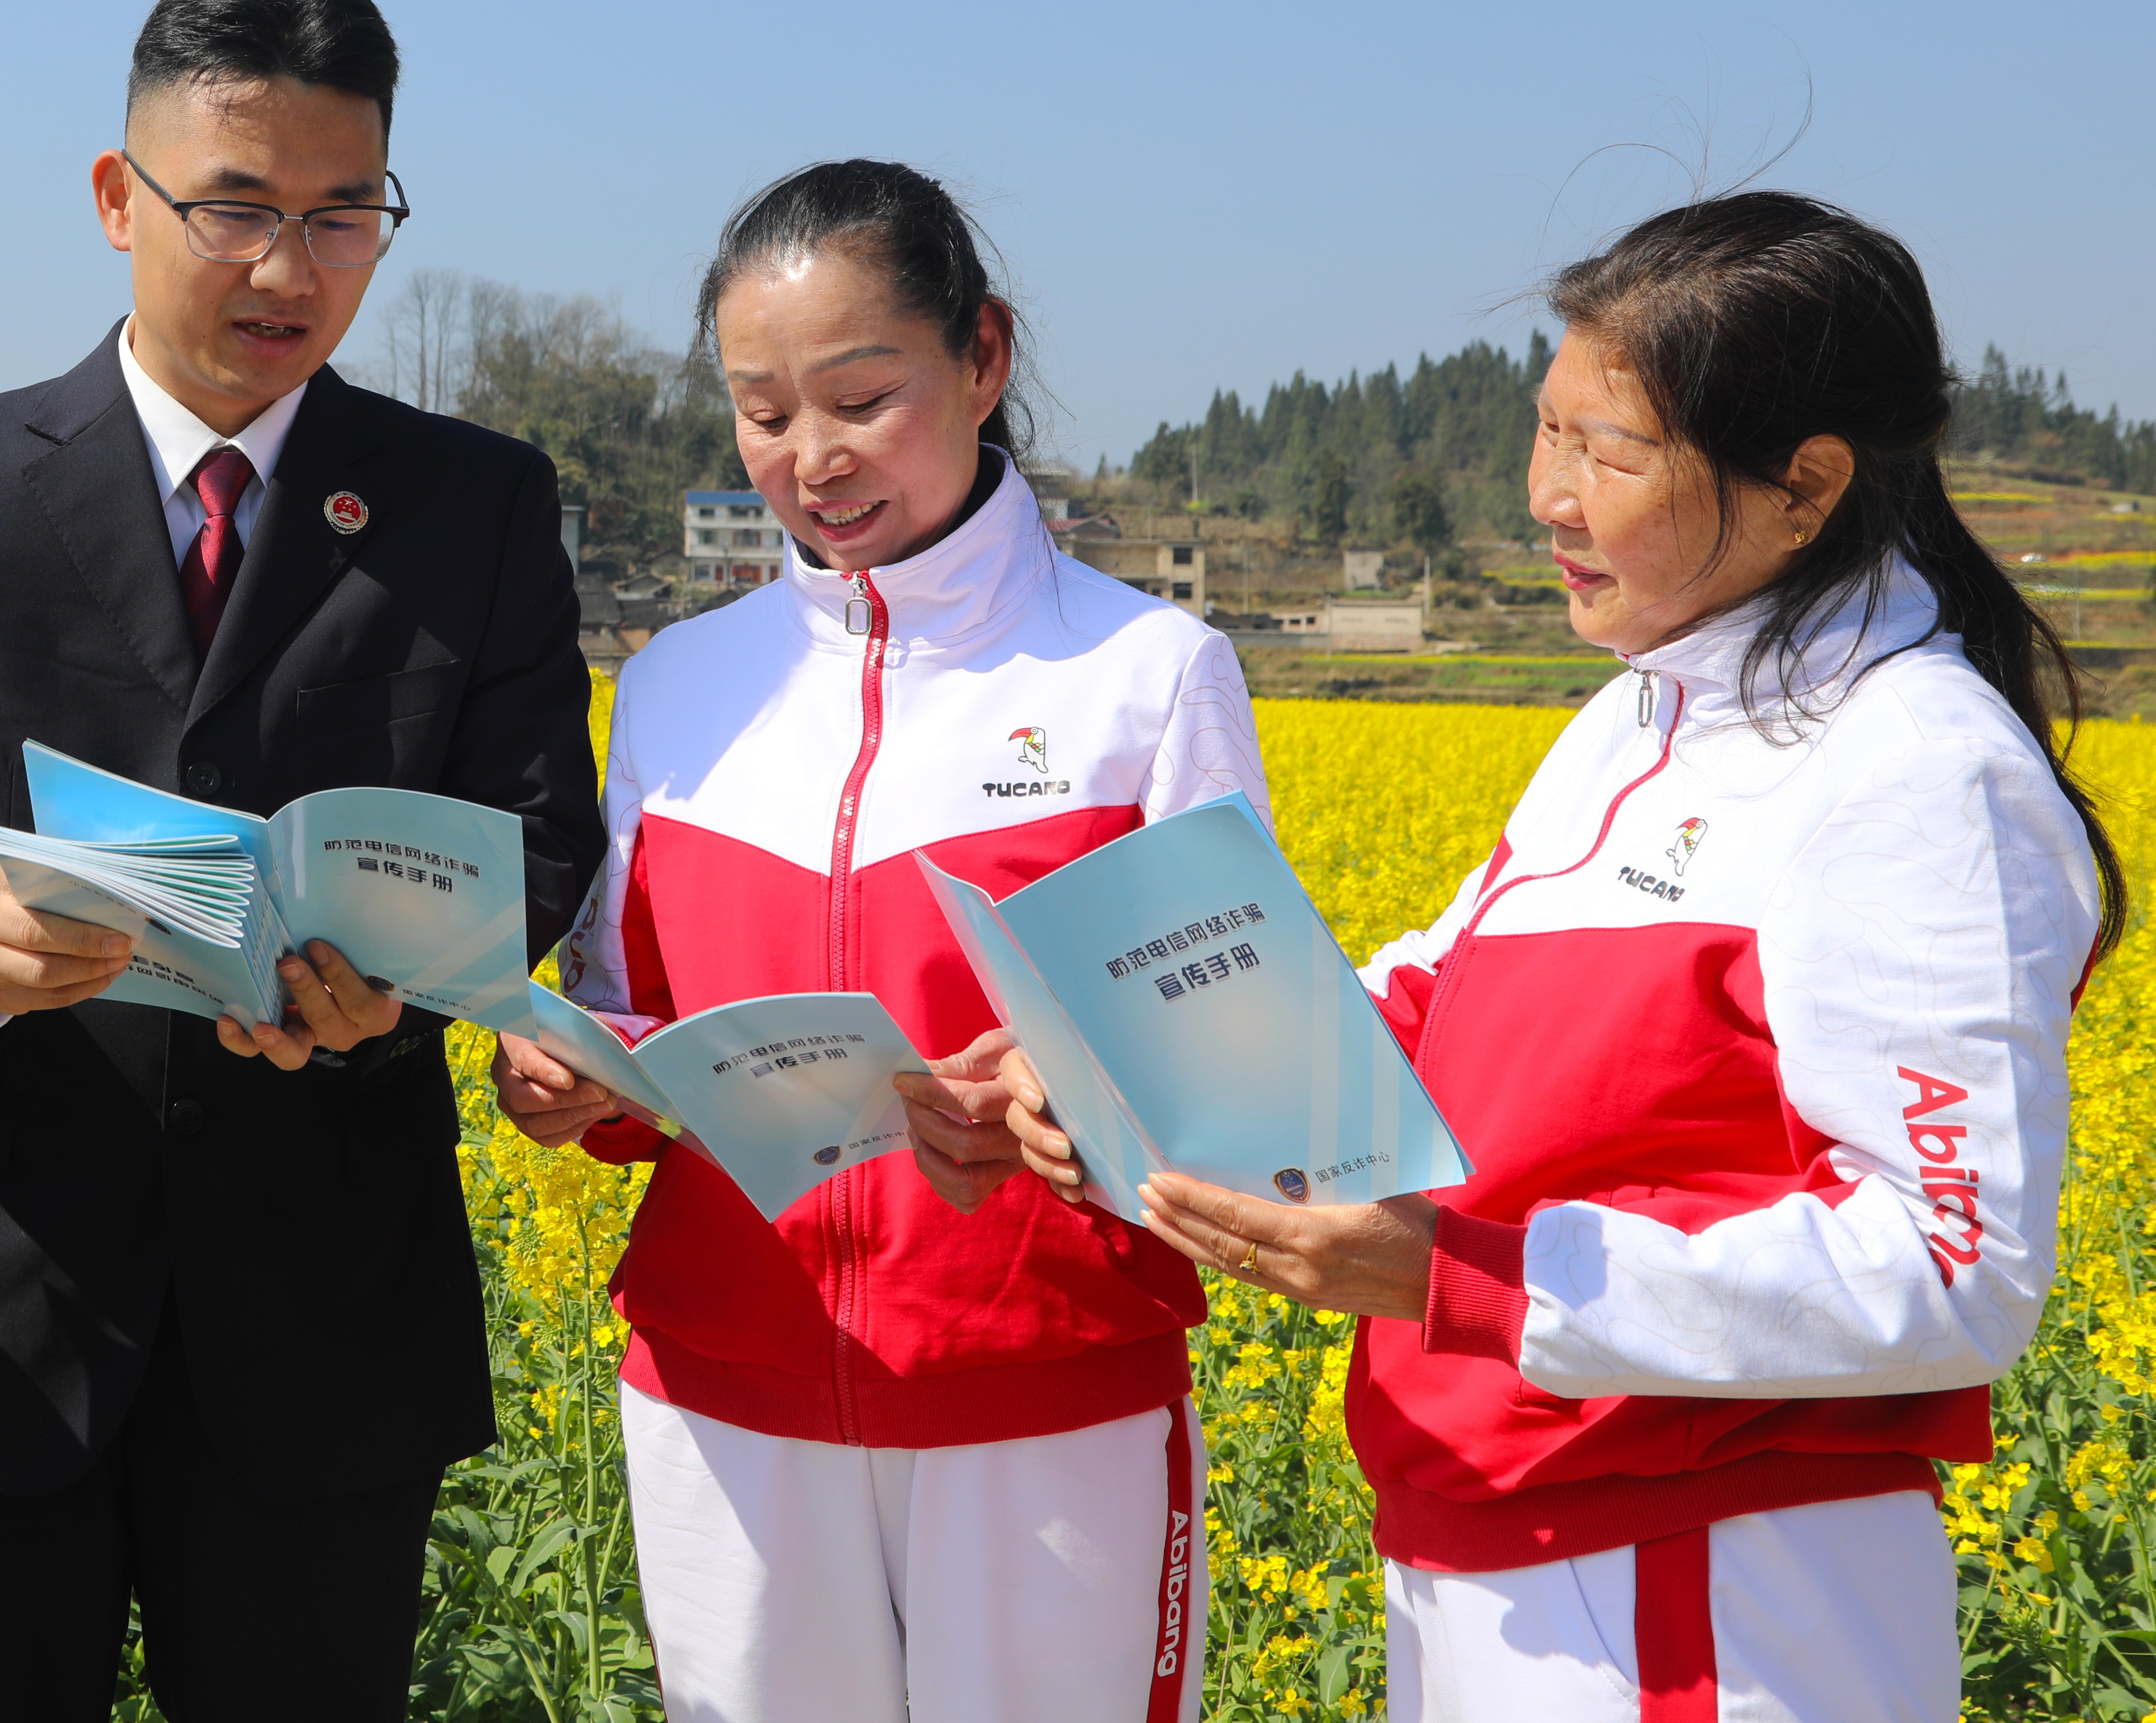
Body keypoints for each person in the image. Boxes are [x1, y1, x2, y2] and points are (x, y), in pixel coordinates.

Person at [1004, 192, 2128, 1723]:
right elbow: (1437, 1000)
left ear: (1806, 487)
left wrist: (1462, 1280)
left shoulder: (1915, 769)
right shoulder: (1638, 712)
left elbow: (1954, 1268)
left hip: (1705, 1584)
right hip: (1496, 1540)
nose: (1547, 493)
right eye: (1547, 429)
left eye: (1610, 452)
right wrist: (1120, 1060)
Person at [0, 0, 605, 1723]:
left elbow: (535, 835)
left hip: (327, 1312)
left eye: (344, 215)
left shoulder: (477, 506)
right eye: (234, 210)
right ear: (115, 197)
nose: (289, 269)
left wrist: (402, 987)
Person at [490, 159, 1268, 1723]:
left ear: (982, 356)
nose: (812, 459)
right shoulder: (676, 684)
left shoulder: (1148, 676)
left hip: (1039, 1394)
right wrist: (565, 1079)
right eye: (762, 412)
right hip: (723, 1391)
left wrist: (1061, 1102)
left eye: (861, 399)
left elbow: (1236, 1078)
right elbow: (623, 1011)